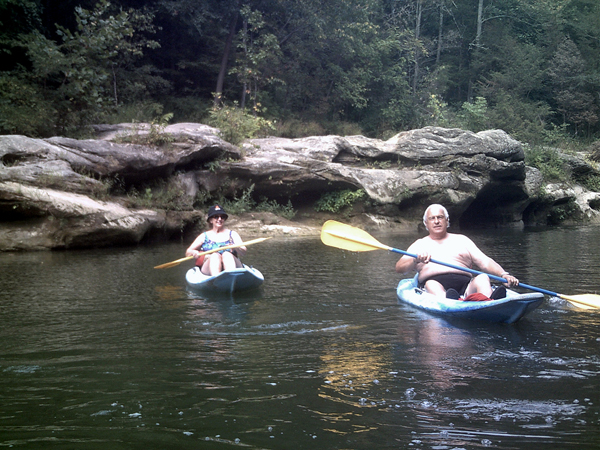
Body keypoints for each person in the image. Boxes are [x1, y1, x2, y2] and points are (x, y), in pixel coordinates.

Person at [395, 204, 519, 300]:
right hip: (435, 287)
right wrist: (415, 259)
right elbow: (400, 268)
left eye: (440, 217)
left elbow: (484, 261)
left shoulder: (462, 240)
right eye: (432, 218)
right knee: (432, 284)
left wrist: (503, 274)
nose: (436, 221)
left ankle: (488, 301)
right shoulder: (419, 244)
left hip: (466, 288)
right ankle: (449, 300)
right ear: (426, 224)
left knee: (482, 277)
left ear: (447, 221)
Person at [185, 205, 247, 276]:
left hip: (231, 264)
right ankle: (216, 279)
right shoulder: (204, 236)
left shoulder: (233, 234)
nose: (219, 219)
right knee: (215, 256)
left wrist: (235, 246)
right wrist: (194, 252)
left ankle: (230, 277)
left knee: (227, 255)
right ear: (211, 220)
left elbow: (244, 251)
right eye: (216, 217)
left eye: (222, 217)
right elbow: (188, 252)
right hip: (210, 267)